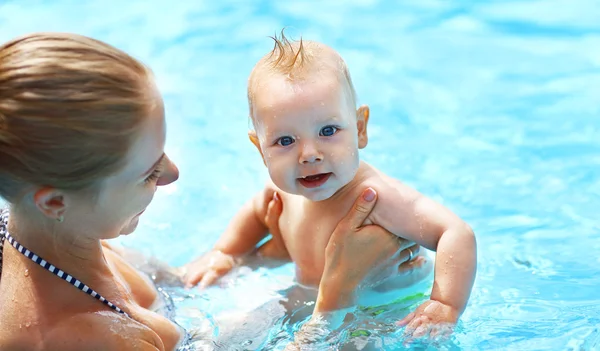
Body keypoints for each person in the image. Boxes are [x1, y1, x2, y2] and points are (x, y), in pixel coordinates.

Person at [0, 32, 419, 351]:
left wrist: (259, 255)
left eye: (162, 152)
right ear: (55, 201)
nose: (172, 174)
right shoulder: (88, 337)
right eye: (148, 172)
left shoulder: (55, 237)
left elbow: (178, 293)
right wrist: (338, 292)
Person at [184, 32, 477, 334]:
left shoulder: (374, 197)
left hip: (385, 315)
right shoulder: (285, 193)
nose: (309, 155)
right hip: (315, 303)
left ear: (360, 129)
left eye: (328, 130)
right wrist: (225, 253)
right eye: (285, 140)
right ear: (261, 150)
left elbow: (455, 232)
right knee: (210, 334)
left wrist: (445, 304)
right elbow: (259, 211)